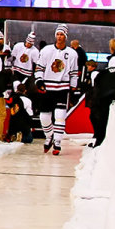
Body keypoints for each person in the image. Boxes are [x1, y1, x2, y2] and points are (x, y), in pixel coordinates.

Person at [34, 23, 79, 155]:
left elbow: (74, 72)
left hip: (62, 88)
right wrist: (39, 80)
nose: (59, 37)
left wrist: (73, 87)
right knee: (44, 117)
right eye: (58, 34)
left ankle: (57, 142)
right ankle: (49, 137)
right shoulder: (46, 50)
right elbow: (39, 68)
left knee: (60, 116)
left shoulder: (72, 54)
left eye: (62, 34)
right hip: (47, 88)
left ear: (66, 36)